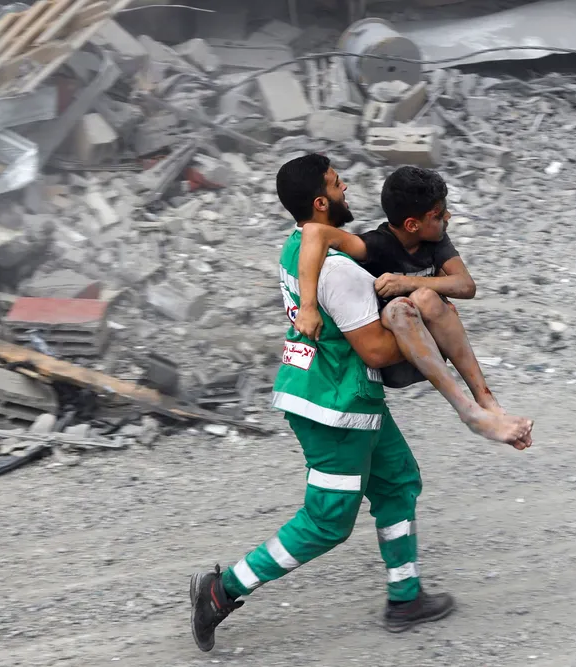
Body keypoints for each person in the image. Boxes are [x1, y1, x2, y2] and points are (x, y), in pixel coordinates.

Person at [188, 154, 533, 653]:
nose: (346, 187)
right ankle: (221, 591)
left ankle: (405, 598)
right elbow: (374, 350)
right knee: (327, 521)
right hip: (334, 405)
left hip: (343, 394)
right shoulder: (340, 272)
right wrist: (425, 336)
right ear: (321, 201)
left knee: (398, 483)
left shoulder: (297, 248)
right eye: (336, 183)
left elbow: (320, 248)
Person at [294, 165, 531, 446]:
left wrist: (406, 282)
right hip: (394, 362)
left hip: (432, 354)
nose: (448, 217)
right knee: (401, 307)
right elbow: (314, 233)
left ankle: (487, 403)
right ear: (412, 225)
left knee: (424, 297)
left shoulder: (435, 241)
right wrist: (307, 307)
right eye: (438, 215)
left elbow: (466, 285)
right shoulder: (376, 245)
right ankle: (468, 412)